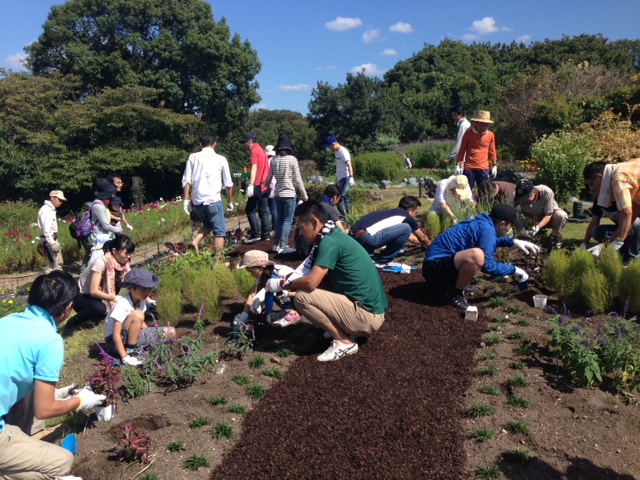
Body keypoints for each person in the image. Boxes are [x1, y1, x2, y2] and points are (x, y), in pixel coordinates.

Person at [0, 271, 106, 479]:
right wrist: (79, 401)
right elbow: (44, 409)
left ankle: (27, 438)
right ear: (68, 308)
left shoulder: (8, 320)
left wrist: (54, 394)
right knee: (62, 462)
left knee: (31, 384)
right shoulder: (50, 340)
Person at [266, 201, 387, 362]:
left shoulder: (329, 242)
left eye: (301, 227)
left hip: (368, 318)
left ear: (315, 222)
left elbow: (311, 283)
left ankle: (344, 341)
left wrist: (282, 285)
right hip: (370, 310)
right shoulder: (334, 234)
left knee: (303, 297)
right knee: (317, 286)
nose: (300, 233)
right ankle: (345, 328)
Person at [423, 205, 539, 311]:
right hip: (434, 271)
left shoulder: (483, 224)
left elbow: (489, 242)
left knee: (477, 254)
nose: (509, 230)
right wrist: (514, 270)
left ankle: (453, 286)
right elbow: (487, 266)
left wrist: (513, 242)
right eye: (509, 226)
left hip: (437, 265)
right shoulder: (487, 229)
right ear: (502, 224)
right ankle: (454, 294)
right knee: (477, 255)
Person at [105, 269, 176, 366]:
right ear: (130, 289)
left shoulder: (141, 301)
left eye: (148, 288)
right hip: (114, 342)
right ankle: (131, 352)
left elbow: (140, 323)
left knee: (171, 332)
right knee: (138, 314)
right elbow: (116, 334)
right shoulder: (122, 303)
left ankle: (139, 349)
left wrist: (151, 335)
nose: (147, 292)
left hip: (130, 336)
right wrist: (125, 357)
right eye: (143, 289)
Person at [182, 132, 234, 258]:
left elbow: (187, 180)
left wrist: (186, 201)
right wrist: (230, 202)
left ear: (200, 145)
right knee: (219, 232)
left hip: (198, 202)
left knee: (208, 225)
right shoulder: (221, 159)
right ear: (214, 144)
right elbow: (228, 183)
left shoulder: (193, 157)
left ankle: (195, 241)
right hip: (213, 201)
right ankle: (217, 262)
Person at [350, 195, 431, 267]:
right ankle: (383, 261)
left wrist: (421, 243)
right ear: (410, 210)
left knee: (404, 229)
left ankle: (368, 257)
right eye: (415, 213)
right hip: (366, 238)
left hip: (353, 238)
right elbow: (422, 237)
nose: (415, 216)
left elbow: (412, 238)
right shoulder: (406, 216)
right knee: (407, 228)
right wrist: (431, 246)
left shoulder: (390, 213)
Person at [582, 160, 640, 258]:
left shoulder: (618, 178)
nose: (590, 188)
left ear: (598, 177)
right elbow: (630, 218)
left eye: (591, 183)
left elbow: (627, 213)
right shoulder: (628, 178)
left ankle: (630, 258)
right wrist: (604, 245)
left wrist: (617, 242)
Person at [73, 235, 134, 325]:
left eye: (130, 253)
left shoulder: (123, 264)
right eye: (126, 253)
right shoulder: (100, 262)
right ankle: (72, 323)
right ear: (114, 251)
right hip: (82, 297)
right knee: (100, 308)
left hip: (95, 296)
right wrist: (115, 298)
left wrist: (145, 297)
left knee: (117, 280)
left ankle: (98, 314)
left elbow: (130, 280)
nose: (128, 256)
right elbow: (93, 291)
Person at [233, 250, 302, 328]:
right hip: (290, 300)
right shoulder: (261, 275)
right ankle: (278, 314)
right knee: (270, 288)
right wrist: (245, 313)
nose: (251, 275)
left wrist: (286, 294)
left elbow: (304, 292)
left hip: (300, 301)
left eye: (252, 271)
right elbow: (253, 293)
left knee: (275, 286)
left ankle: (292, 313)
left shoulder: (282, 272)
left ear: (263, 266)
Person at [265, 135, 308, 254]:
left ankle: (275, 245)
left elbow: (269, 178)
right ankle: (283, 246)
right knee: (288, 221)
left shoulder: (274, 160)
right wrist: (304, 195)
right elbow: (298, 179)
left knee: (279, 220)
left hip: (278, 194)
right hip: (289, 193)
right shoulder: (292, 159)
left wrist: (264, 185)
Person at [513, 179, 568, 245]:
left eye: (526, 198)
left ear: (534, 192)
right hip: (530, 218)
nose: (524, 201)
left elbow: (549, 214)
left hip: (548, 218)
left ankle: (555, 237)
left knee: (560, 215)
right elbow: (509, 211)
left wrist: (537, 227)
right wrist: (520, 228)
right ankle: (524, 237)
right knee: (515, 215)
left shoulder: (546, 192)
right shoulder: (517, 195)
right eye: (522, 199)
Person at [240, 133, 271, 243]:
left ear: (250, 141)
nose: (244, 145)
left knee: (250, 210)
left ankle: (255, 234)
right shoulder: (262, 150)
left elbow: (254, 168)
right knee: (263, 211)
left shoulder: (254, 151)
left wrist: (251, 185)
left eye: (244, 142)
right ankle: (266, 235)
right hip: (265, 185)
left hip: (258, 185)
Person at [456, 110, 497, 189]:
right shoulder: (468, 134)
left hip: (483, 168)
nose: (483, 127)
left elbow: (492, 151)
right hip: (469, 167)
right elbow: (462, 150)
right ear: (476, 123)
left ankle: (481, 202)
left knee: (484, 191)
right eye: (481, 124)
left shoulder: (490, 135)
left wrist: (494, 165)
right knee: (466, 190)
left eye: (485, 125)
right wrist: (458, 164)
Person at [88, 178, 122, 262]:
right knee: (101, 260)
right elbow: (106, 225)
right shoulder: (98, 206)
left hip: (104, 236)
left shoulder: (102, 203)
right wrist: (118, 230)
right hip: (99, 237)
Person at [322, 136, 354, 220]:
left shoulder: (343, 152)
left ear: (333, 144)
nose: (329, 148)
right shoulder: (336, 152)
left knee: (340, 196)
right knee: (344, 197)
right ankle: (347, 215)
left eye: (329, 146)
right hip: (340, 177)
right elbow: (339, 165)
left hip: (345, 177)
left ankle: (344, 216)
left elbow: (349, 165)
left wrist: (351, 177)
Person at [36, 189, 67, 273]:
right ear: (52, 198)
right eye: (59, 199)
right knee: (54, 266)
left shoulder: (50, 209)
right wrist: (52, 243)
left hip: (50, 240)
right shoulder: (46, 210)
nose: (60, 202)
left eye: (62, 201)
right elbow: (47, 229)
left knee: (55, 264)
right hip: (49, 241)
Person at [265, 144, 278, 232]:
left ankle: (274, 227)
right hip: (278, 184)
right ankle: (276, 226)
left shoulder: (268, 161)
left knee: (272, 209)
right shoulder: (277, 160)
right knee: (276, 208)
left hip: (270, 185)